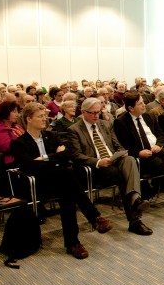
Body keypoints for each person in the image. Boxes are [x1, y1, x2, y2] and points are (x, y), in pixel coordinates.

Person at [11, 103, 112, 259]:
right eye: (40, 116)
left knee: (67, 190)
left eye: (45, 116)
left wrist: (44, 159)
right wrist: (53, 157)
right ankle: (94, 219)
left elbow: (68, 155)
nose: (45, 119)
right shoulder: (19, 143)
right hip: (37, 185)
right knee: (66, 175)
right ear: (28, 119)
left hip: (59, 182)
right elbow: (29, 166)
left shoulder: (52, 135)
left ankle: (74, 242)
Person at [66, 97, 153, 236]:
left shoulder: (105, 124)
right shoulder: (74, 130)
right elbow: (76, 156)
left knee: (130, 159)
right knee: (123, 176)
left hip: (113, 160)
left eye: (98, 112)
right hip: (96, 167)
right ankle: (135, 217)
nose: (96, 116)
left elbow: (117, 145)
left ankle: (135, 199)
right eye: (92, 113)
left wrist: (121, 153)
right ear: (83, 112)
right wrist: (98, 162)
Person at [0, 101, 24, 166]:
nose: (17, 114)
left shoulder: (16, 126)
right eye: (14, 111)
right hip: (9, 163)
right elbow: (6, 148)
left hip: (21, 157)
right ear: (5, 112)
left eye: (17, 112)